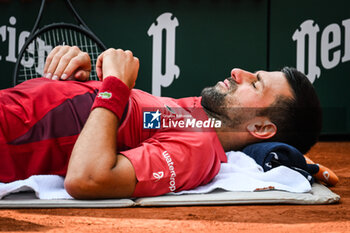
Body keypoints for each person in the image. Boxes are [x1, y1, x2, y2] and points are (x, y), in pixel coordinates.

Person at [0, 46, 322, 199]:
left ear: (261, 129)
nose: (239, 72)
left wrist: (113, 86)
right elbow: (113, 119)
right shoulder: (196, 117)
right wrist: (79, 79)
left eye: (255, 84)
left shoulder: (199, 147)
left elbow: (87, 178)